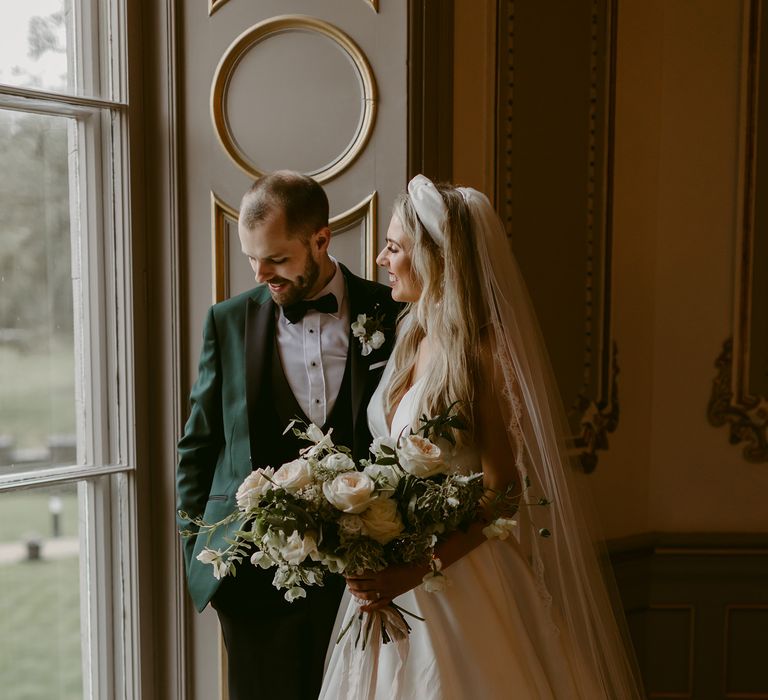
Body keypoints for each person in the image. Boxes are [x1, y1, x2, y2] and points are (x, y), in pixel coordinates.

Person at [320, 175, 645, 699]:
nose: (381, 259)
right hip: (392, 581)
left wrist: (417, 567)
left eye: (394, 247)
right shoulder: (411, 336)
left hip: (461, 579)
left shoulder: (483, 353)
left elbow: (504, 490)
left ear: (434, 260)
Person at [176, 171, 401, 700]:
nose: (262, 273)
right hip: (252, 581)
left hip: (363, 578)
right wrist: (200, 550)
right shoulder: (228, 321)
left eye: (277, 259)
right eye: (253, 259)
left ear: (320, 240)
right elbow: (198, 446)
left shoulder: (391, 311)